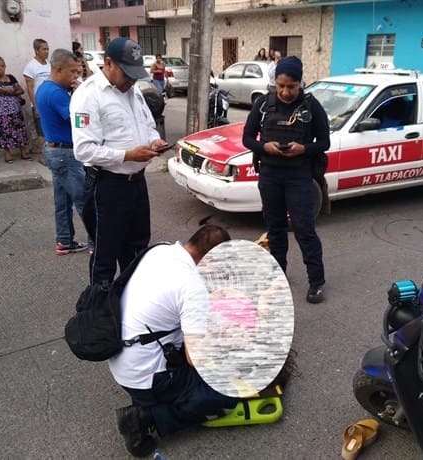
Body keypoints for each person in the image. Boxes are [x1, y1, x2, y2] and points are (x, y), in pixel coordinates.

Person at [109, 224, 238, 457]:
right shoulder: (191, 286)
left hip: (122, 359)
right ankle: (145, 419)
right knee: (226, 392)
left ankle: (150, 403)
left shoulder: (160, 250)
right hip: (146, 376)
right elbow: (194, 359)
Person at [70, 37, 169, 285]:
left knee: (137, 248)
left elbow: (148, 126)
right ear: (108, 63)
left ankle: (131, 307)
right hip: (107, 185)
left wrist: (154, 141)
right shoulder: (87, 96)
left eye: (136, 75)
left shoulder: (133, 91)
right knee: (106, 253)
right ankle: (99, 313)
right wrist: (126, 155)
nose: (132, 81)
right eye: (128, 74)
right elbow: (83, 150)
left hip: (137, 183)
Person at [242, 56, 330, 304]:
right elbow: (247, 138)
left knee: (304, 229)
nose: (285, 91)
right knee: (275, 228)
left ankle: (317, 281)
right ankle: (278, 274)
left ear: (300, 83)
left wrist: (303, 149)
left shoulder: (312, 107)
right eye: (280, 85)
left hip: (299, 176)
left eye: (291, 86)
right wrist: (264, 147)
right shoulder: (262, 104)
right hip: (270, 175)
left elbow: (324, 142)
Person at [35, 49, 88, 255]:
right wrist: (82, 93)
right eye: (73, 72)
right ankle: (97, 242)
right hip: (65, 154)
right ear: (58, 69)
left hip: (55, 151)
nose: (76, 76)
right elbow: (80, 121)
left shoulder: (45, 88)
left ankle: (64, 240)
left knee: (63, 200)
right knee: (83, 199)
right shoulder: (57, 93)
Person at [0, 56, 31, 163]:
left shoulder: (11, 78)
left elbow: (21, 90)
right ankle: (7, 154)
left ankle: (23, 152)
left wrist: (13, 91)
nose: (1, 68)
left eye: (2, 66)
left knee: (20, 131)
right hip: (2, 112)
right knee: (5, 133)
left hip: (15, 110)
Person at [23, 38, 51, 156]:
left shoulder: (49, 65)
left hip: (50, 103)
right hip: (39, 104)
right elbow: (30, 87)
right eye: (44, 49)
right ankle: (43, 157)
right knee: (42, 132)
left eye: (47, 49)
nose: (47, 51)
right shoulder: (31, 67)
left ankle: (50, 155)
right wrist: (36, 106)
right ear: (37, 50)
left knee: (50, 130)